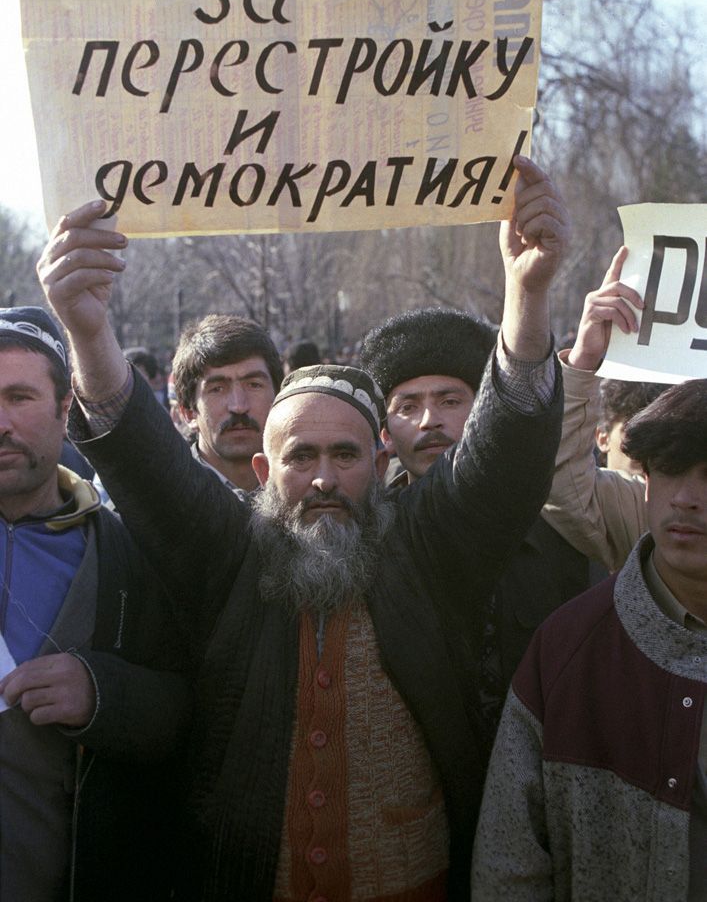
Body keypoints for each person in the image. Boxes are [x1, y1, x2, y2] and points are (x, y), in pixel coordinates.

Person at [38, 154, 567, 902]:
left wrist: (528, 294)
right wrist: (88, 332)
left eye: (345, 455)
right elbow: (149, 467)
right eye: (301, 457)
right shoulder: (231, 554)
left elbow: (500, 460)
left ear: (379, 461)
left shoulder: (426, 549)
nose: (322, 479)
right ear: (262, 473)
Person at [471, 378, 707, 901]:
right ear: (644, 480)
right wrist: (577, 368)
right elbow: (509, 864)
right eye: (668, 470)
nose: (687, 499)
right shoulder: (568, 647)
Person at [0, 306, 190, 902]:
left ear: (64, 410)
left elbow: (191, 707)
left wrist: (102, 694)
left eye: (18, 397)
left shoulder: (126, 549)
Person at [360, 308, 594, 749]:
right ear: (385, 433)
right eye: (407, 407)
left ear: (484, 412)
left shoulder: (557, 533)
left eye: (450, 401)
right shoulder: (370, 543)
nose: (430, 421)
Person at [543, 246, 667, 570]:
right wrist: (584, 358)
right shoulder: (648, 507)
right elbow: (561, 483)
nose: (649, 453)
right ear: (601, 435)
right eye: (636, 433)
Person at [171, 313, 284, 490]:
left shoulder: (307, 496)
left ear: (279, 398)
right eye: (217, 389)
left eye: (254, 385)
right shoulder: (155, 504)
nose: (239, 406)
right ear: (188, 412)